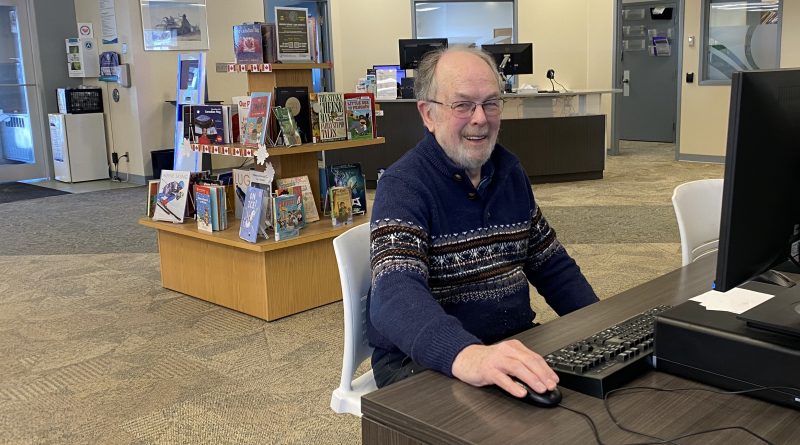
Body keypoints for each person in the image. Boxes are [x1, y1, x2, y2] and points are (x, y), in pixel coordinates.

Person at [366, 46, 599, 399]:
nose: (480, 118)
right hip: (420, 361)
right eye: (463, 105)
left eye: (491, 103)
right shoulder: (404, 186)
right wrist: (468, 354)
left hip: (506, 342)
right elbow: (394, 295)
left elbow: (552, 266)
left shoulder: (509, 171)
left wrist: (602, 325)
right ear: (428, 114)